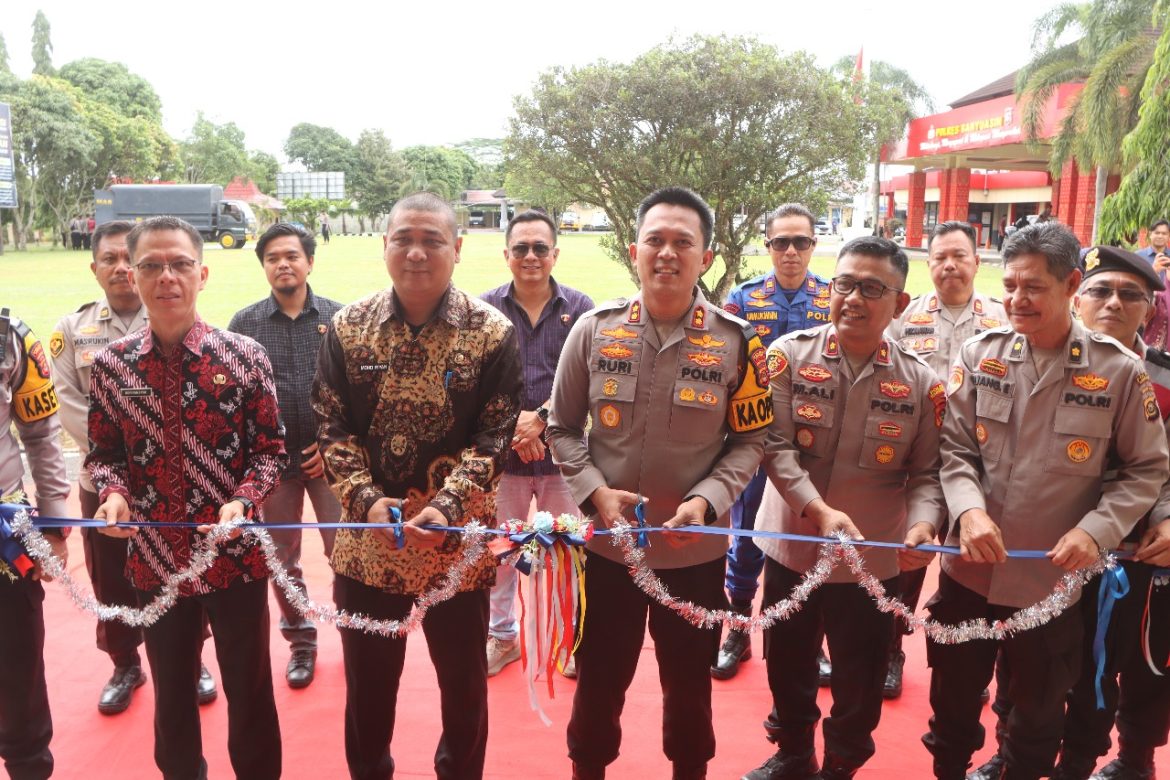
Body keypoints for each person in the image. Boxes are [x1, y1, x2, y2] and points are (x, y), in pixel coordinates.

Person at [922, 222, 1169, 780]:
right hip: (968, 573)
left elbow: (1145, 470)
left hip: (1051, 585)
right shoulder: (981, 354)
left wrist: (1096, 531)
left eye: (1033, 287)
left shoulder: (1118, 371)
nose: (1016, 300)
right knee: (952, 705)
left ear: (1070, 285)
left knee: (1036, 719)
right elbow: (955, 450)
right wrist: (969, 511)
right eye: (1009, 285)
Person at [548, 186, 771, 780]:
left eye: (682, 242)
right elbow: (562, 428)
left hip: (694, 554)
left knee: (690, 690)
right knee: (598, 683)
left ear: (706, 256)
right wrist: (595, 493)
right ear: (634, 250)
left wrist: (707, 500)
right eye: (655, 240)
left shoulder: (737, 341)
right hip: (608, 552)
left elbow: (751, 440)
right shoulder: (593, 330)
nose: (667, 253)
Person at [312, 192, 523, 780]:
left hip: (455, 550)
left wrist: (448, 507)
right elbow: (330, 425)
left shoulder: (490, 332)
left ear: (458, 247)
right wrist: (364, 501)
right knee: (368, 689)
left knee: (464, 689)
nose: (416, 253)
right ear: (385, 245)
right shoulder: (348, 327)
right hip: (368, 548)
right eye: (404, 238)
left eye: (432, 240)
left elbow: (495, 437)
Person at [88, 215, 287, 780]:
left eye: (179, 264)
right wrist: (114, 493)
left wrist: (243, 501)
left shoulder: (244, 356)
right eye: (151, 265)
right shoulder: (112, 365)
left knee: (249, 688)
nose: (166, 277)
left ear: (202, 273)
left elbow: (271, 451)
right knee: (172, 695)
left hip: (235, 557)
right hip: (155, 561)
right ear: (133, 275)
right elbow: (103, 454)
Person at [742, 237, 946, 780]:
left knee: (861, 676)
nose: (853, 298)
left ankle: (841, 764)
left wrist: (924, 524)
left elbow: (928, 474)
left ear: (900, 304)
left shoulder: (920, 383)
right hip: (792, 544)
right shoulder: (788, 356)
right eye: (845, 284)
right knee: (787, 663)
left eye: (871, 288)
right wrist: (817, 510)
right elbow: (773, 447)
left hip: (871, 561)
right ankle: (794, 753)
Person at [50, 220, 218, 714]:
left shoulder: (171, 311)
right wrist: (123, 464)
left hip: (176, 485)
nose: (121, 268)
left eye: (129, 259)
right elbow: (69, 404)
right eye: (111, 259)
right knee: (112, 580)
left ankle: (192, 658)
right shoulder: (72, 330)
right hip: (104, 485)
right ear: (95, 268)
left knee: (185, 574)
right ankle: (124, 662)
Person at [883, 220, 1007, 698]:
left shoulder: (1002, 318)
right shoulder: (905, 316)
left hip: (977, 466)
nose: (949, 265)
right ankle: (891, 651)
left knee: (974, 565)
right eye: (940, 257)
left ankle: (968, 666)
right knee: (906, 561)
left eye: (959, 256)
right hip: (915, 459)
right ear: (928, 263)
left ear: (977, 260)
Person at [715, 203, 832, 681]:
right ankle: (739, 629)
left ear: (813, 245)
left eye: (800, 241)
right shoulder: (743, 300)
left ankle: (813, 642)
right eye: (781, 242)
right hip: (756, 441)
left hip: (815, 446)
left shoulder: (832, 296)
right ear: (767, 246)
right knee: (745, 539)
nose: (790, 251)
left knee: (814, 540)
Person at [228, 222, 343, 689]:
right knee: (281, 557)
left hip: (331, 462)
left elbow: (357, 394)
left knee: (346, 551)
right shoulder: (244, 325)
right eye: (273, 258)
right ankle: (301, 642)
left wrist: (333, 445)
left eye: (292, 256)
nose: (283, 264)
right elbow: (233, 401)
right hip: (271, 465)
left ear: (309, 262)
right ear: (263, 266)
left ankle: (355, 633)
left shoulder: (340, 318)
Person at [479, 210, 594, 677]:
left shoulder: (581, 308)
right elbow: (475, 385)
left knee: (566, 551)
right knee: (501, 553)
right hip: (502, 461)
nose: (531, 256)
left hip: (563, 458)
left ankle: (569, 640)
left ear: (555, 254)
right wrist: (516, 430)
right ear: (506, 254)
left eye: (540, 248)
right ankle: (503, 637)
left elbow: (589, 378)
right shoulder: (485, 310)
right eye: (521, 248)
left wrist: (541, 420)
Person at [0, 308, 70, 780]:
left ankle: (28, 767)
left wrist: (54, 527)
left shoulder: (12, 337)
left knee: (17, 664)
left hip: (5, 531)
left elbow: (42, 435)